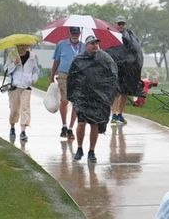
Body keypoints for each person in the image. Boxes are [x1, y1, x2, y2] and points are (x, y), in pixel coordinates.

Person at [67, 35, 118, 163]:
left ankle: (91, 151)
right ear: (86, 45)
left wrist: (107, 94)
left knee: (95, 123)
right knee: (81, 122)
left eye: (96, 43)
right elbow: (72, 78)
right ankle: (79, 148)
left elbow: (112, 76)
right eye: (92, 43)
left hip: (98, 97)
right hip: (82, 96)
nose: (95, 45)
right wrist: (73, 95)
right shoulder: (78, 59)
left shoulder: (105, 59)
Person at [106, 15, 143, 126]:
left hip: (127, 69)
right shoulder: (111, 36)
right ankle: (113, 115)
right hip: (115, 68)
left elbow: (136, 51)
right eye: (119, 24)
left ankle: (120, 114)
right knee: (115, 92)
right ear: (115, 24)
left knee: (124, 92)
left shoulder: (130, 36)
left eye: (122, 24)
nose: (121, 26)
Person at [51, 26, 86, 140]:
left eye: (77, 33)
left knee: (76, 102)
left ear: (80, 33)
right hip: (63, 75)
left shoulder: (84, 47)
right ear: (69, 33)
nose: (75, 35)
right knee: (64, 100)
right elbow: (56, 60)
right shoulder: (61, 44)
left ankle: (71, 128)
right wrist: (52, 75)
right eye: (73, 33)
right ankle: (64, 125)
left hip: (78, 76)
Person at [4, 43, 40, 142]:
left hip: (26, 86)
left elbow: (36, 70)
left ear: (28, 46)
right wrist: (14, 63)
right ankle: (12, 127)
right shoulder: (12, 55)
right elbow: (6, 70)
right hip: (14, 86)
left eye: (25, 46)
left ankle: (23, 131)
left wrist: (33, 79)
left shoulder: (32, 56)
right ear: (17, 46)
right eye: (20, 46)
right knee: (14, 109)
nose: (23, 48)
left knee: (25, 108)